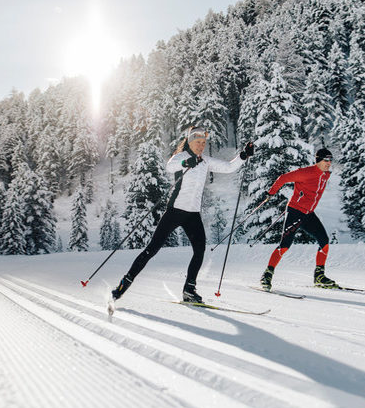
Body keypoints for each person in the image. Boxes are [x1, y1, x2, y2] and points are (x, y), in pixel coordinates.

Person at [112, 126, 254, 304]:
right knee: (151, 249)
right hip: (175, 211)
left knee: (199, 250)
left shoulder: (205, 161)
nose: (201, 146)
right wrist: (186, 163)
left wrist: (243, 155)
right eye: (198, 142)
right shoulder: (181, 157)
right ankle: (124, 283)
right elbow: (170, 166)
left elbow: (228, 167)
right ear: (190, 142)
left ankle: (189, 290)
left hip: (192, 214)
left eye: (203, 143)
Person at [259, 148, 339, 290]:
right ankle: (267, 275)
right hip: (295, 212)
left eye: (330, 160)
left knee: (324, 241)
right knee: (285, 245)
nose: (329, 163)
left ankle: (319, 276)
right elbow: (283, 178)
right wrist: (270, 193)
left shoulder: (325, 175)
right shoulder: (306, 172)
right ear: (318, 160)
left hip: (308, 214)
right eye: (326, 160)